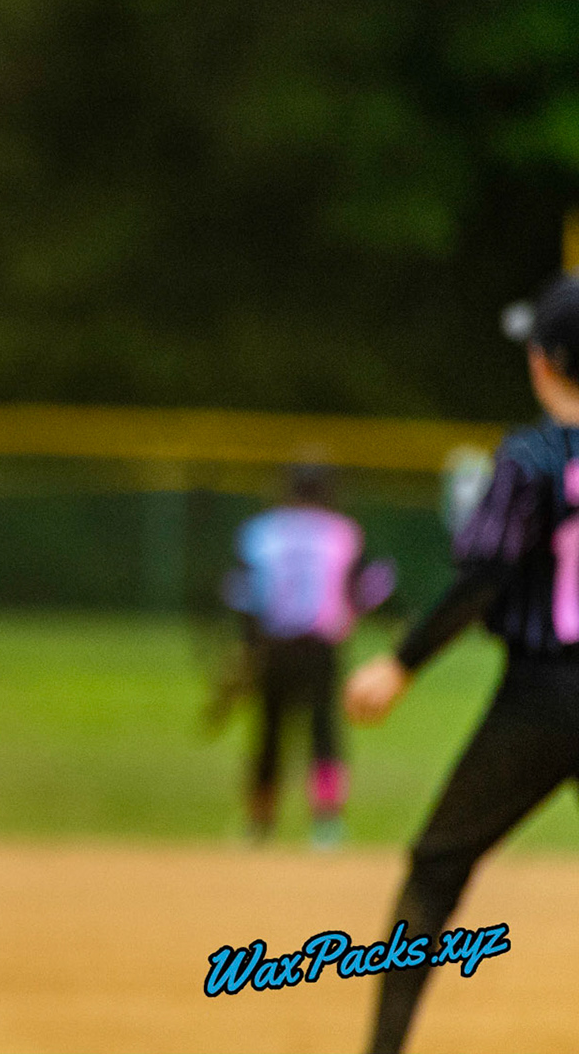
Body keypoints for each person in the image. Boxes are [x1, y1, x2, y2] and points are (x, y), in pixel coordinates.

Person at [347, 274, 579, 1054]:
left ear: (545, 361)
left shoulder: (530, 458)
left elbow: (485, 577)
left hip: (543, 699)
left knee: (437, 866)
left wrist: (401, 665)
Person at [222, 464, 395, 846]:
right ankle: (327, 823)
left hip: (274, 644)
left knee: (269, 733)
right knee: (324, 732)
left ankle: (259, 821)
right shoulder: (343, 532)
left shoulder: (260, 530)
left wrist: (245, 649)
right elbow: (375, 585)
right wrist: (356, 612)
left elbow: (242, 593)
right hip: (322, 646)